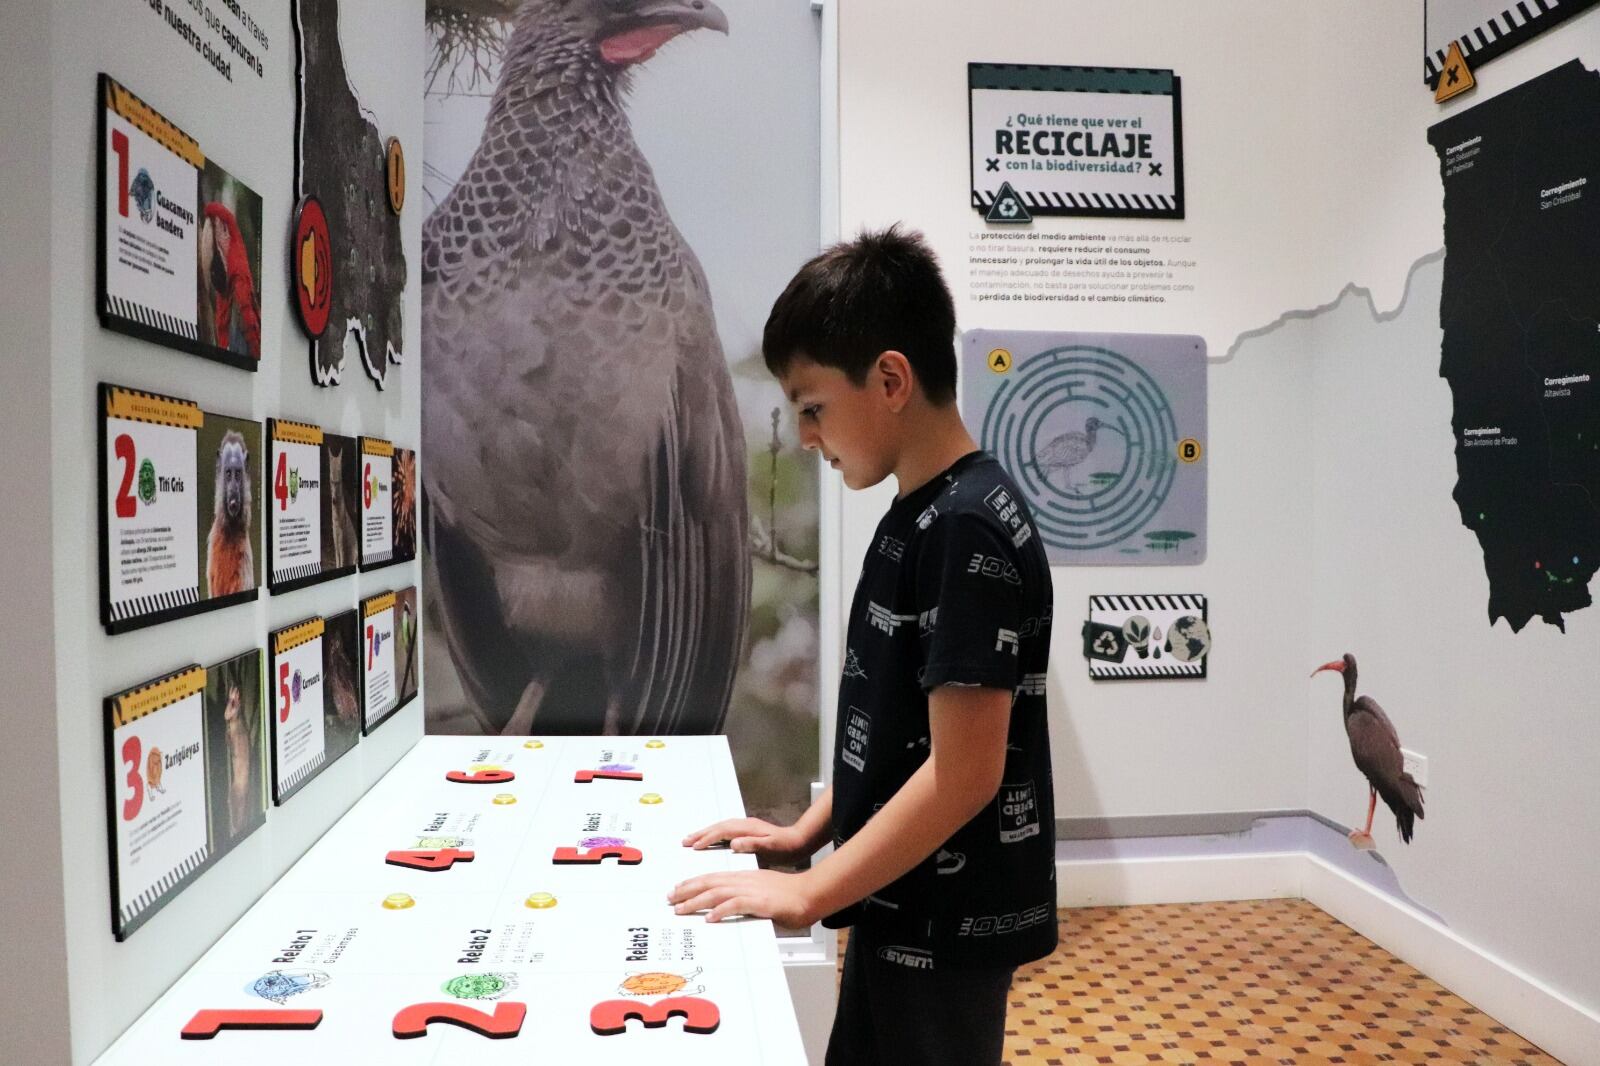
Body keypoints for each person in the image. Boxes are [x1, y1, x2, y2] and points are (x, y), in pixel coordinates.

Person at [668, 225, 1057, 1065]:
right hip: (894, 903)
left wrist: (810, 893)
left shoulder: (965, 528)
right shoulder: (921, 513)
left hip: (946, 927)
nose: (806, 437)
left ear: (889, 380)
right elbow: (896, 731)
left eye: (812, 408)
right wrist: (807, 831)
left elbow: (964, 772)